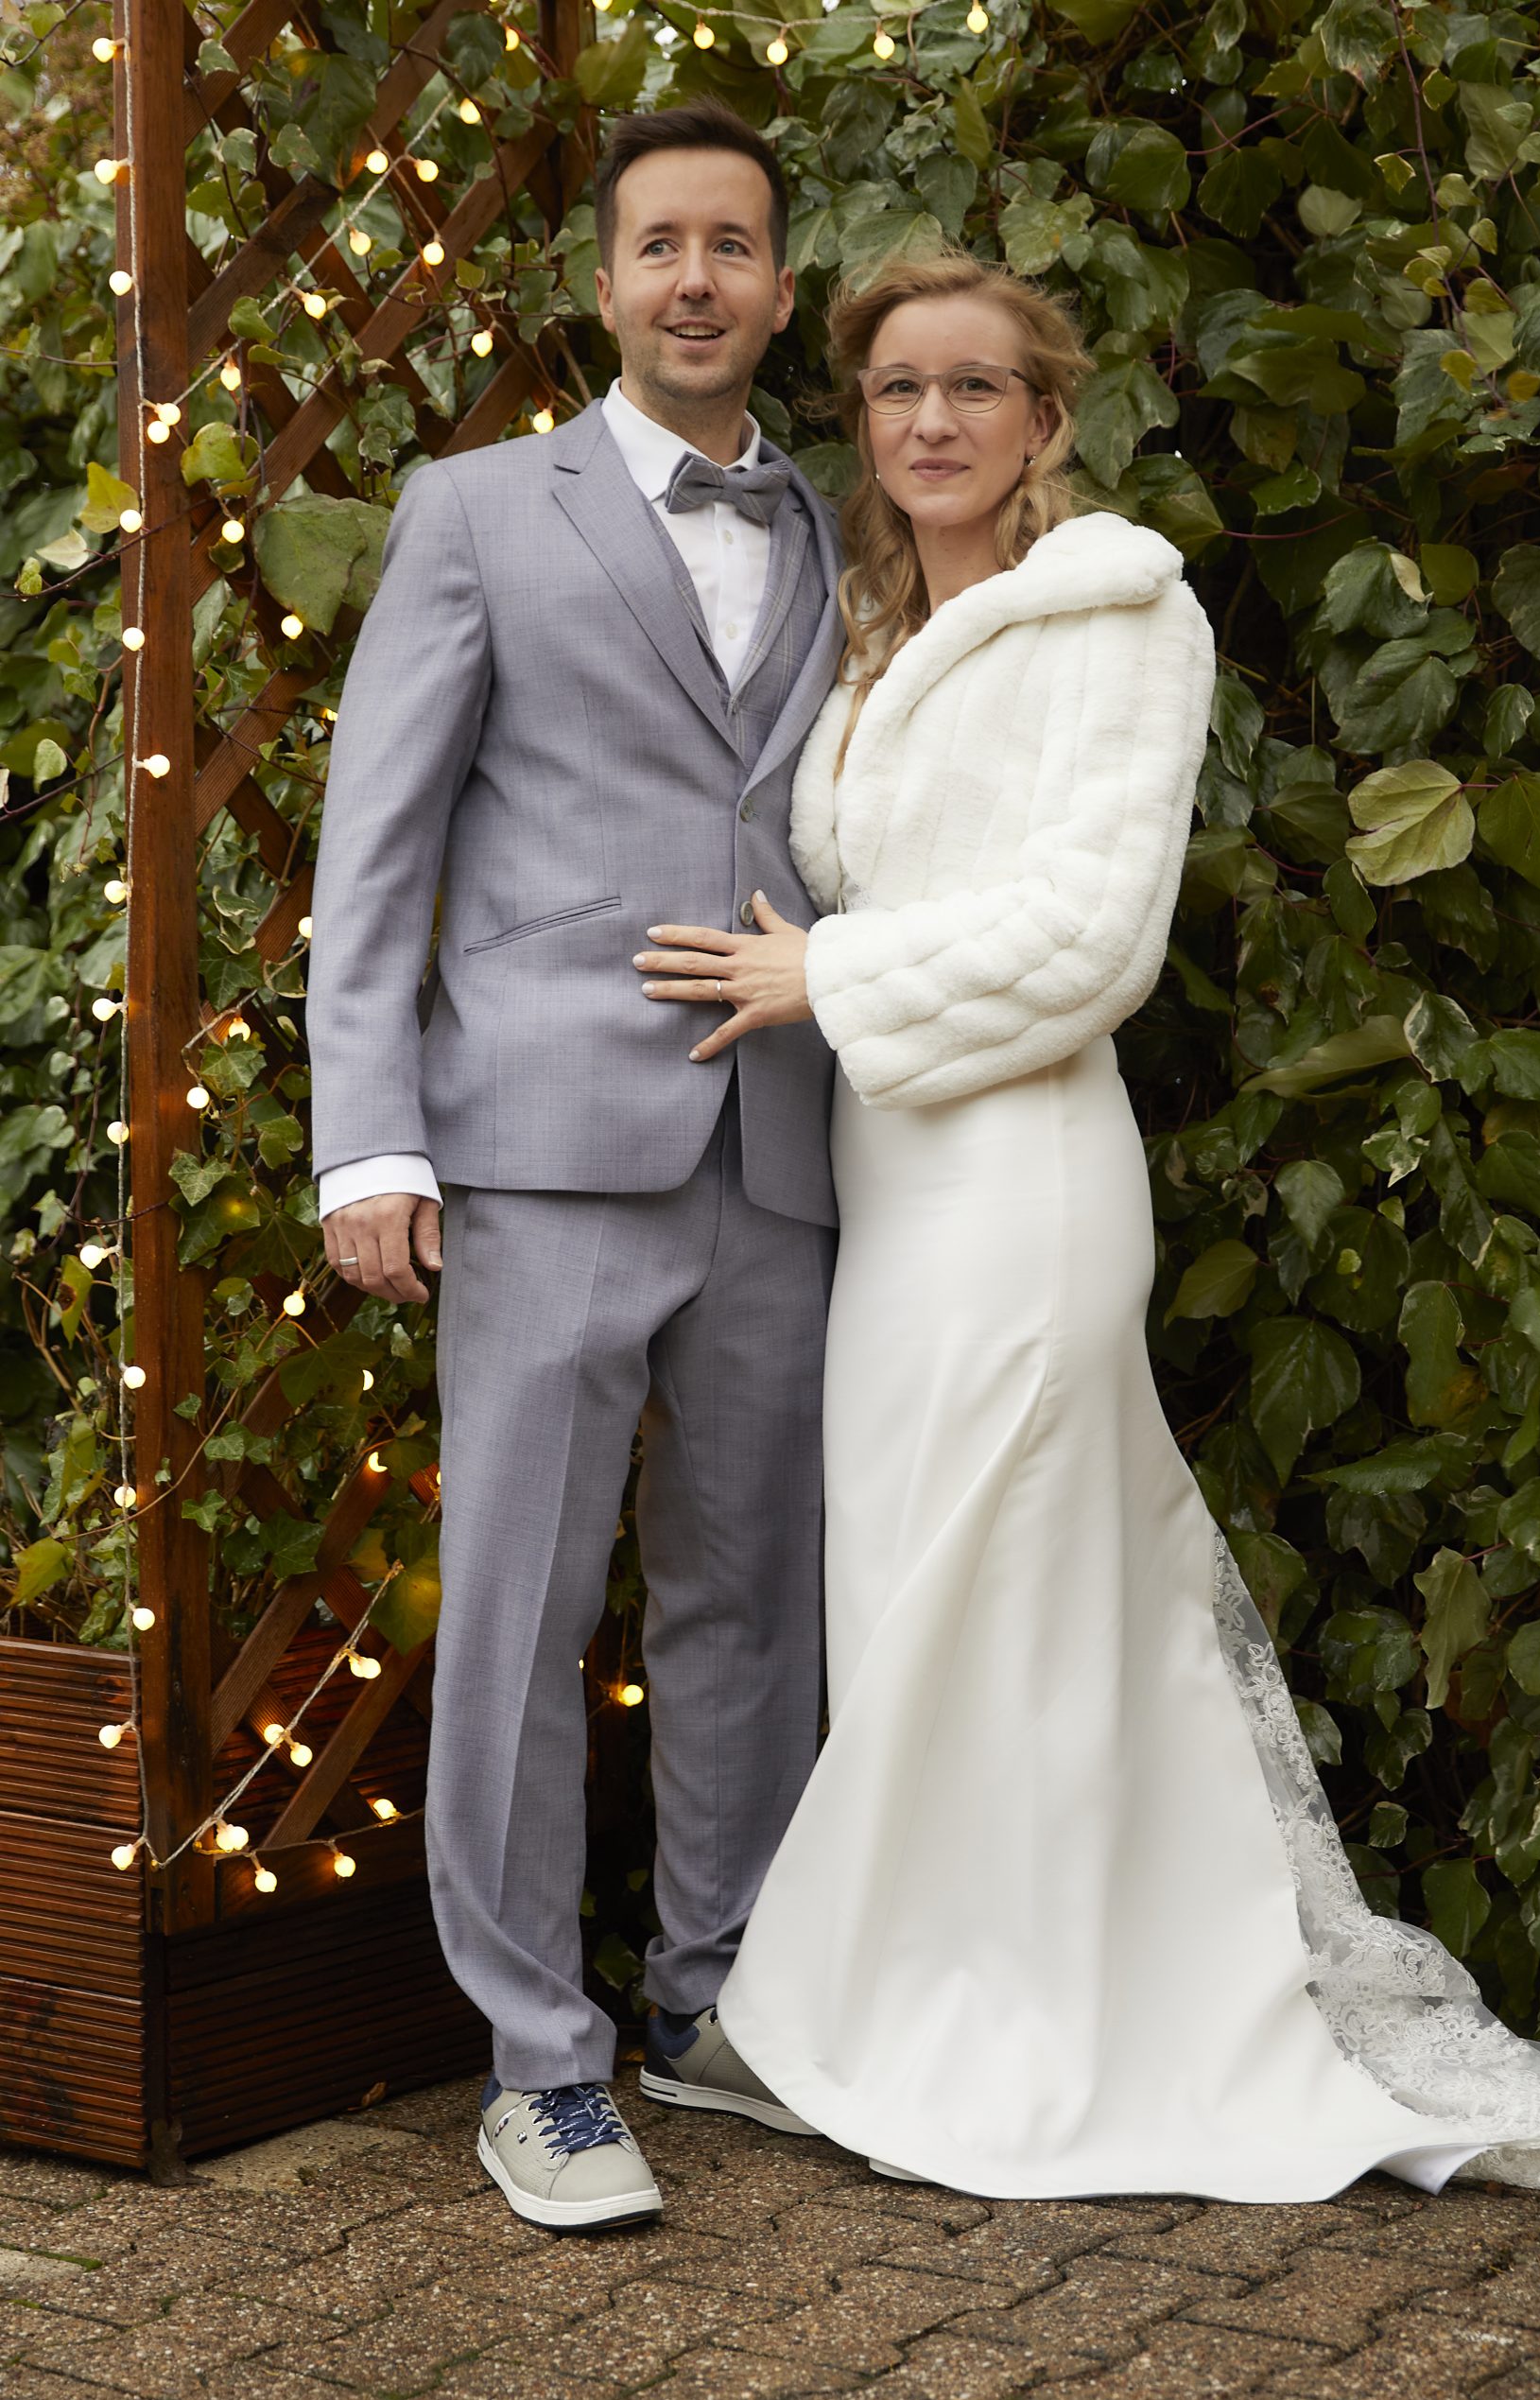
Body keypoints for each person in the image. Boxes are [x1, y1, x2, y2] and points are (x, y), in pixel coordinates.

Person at [632, 252, 1540, 2200]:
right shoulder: (871, 633)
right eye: (895, 387)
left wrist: (837, 976)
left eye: (973, 386)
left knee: (1001, 1597)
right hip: (888, 1188)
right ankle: (931, 1997)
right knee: (917, 1596)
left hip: (1024, 1183)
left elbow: (1099, 938)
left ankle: (1029, 2027)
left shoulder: (1118, 612)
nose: (929, 421)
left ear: (1046, 415)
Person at [306, 98, 846, 2234]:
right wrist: (370, 1138)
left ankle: (715, 2002)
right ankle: (540, 2062)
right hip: (539, 1151)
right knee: (524, 1613)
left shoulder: (841, 525)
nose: (697, 279)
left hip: (783, 1141)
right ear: (604, 283)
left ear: (781, 288)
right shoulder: (472, 513)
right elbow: (378, 851)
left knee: (751, 1600)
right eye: (660, 245)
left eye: (735, 245)